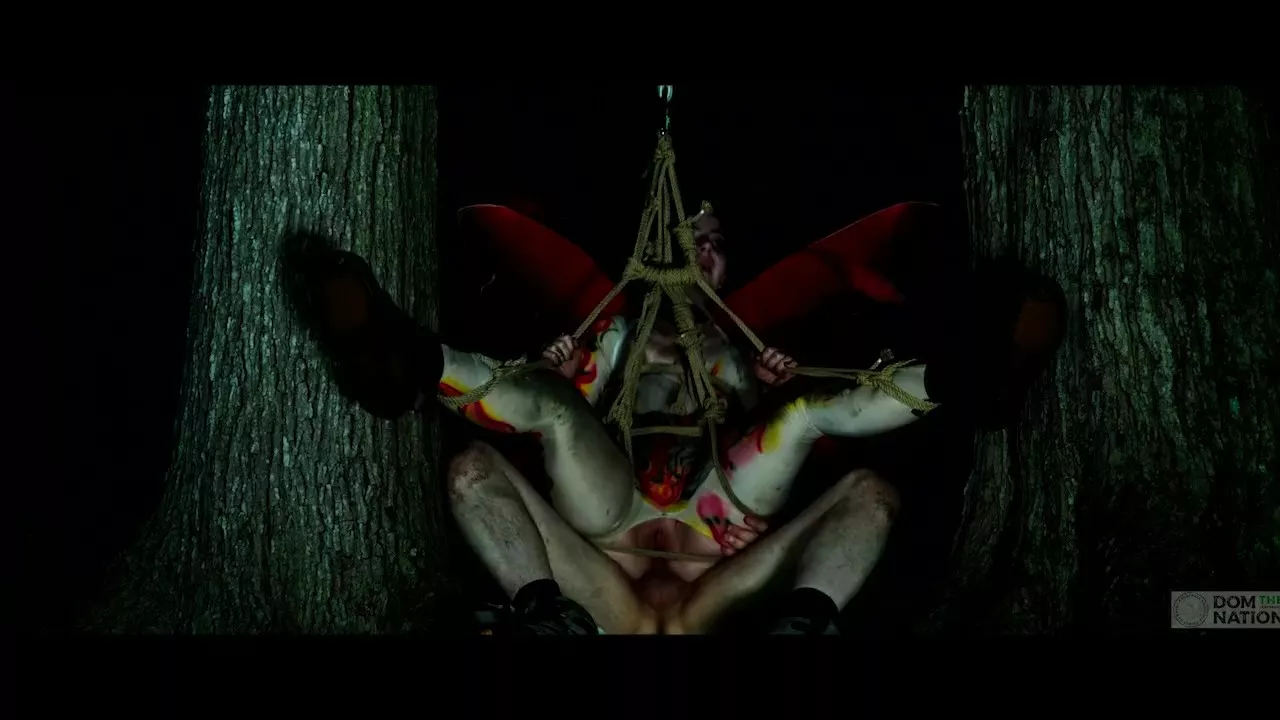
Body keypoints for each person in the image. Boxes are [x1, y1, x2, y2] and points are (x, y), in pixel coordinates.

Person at [286, 210, 947, 635]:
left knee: (839, 459)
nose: (702, 252)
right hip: (611, 534)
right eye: (688, 240)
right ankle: (403, 356)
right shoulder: (618, 335)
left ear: (727, 266)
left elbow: (776, 450)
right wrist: (566, 369)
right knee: (494, 454)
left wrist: (781, 388)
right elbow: (565, 408)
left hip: (714, 553)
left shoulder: (739, 350)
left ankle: (957, 379)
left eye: (715, 244)